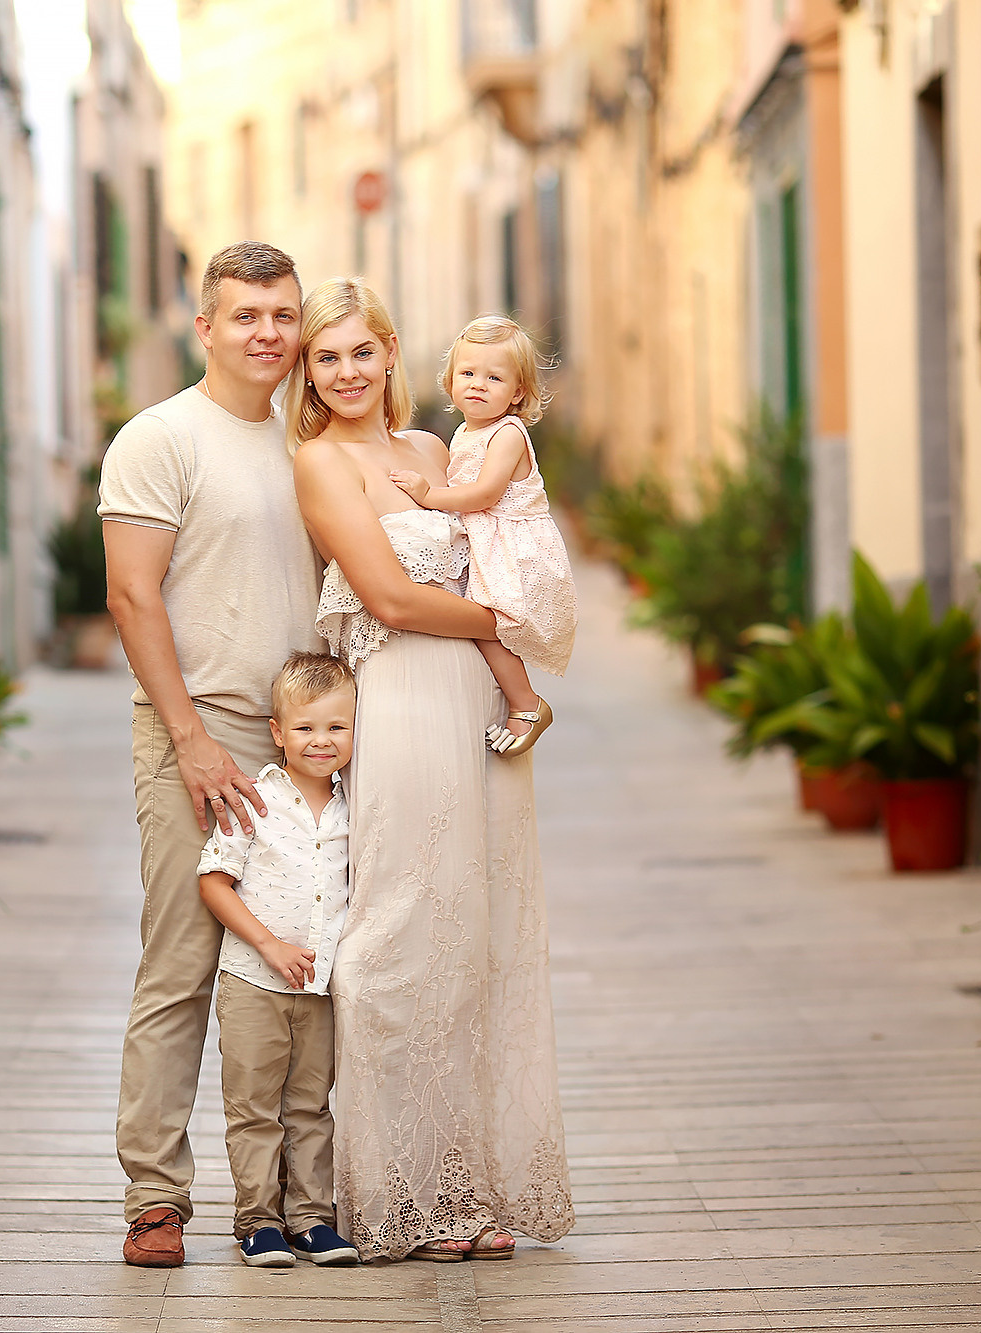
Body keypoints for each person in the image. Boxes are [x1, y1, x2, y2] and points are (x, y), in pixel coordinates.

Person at [290, 278, 574, 1263]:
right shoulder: (319, 463)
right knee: (393, 935)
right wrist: (505, 625)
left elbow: (496, 540)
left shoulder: (431, 450)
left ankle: (461, 1190)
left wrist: (508, 662)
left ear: (389, 352)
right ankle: (392, 1191)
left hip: (479, 706)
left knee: (474, 935)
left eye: (360, 351)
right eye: (325, 357)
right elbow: (394, 598)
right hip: (403, 698)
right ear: (309, 372)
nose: (346, 371)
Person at [100, 242, 324, 1268]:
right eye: (245, 316)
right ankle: (155, 1197)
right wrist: (188, 739)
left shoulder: (306, 441)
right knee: (183, 970)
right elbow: (130, 596)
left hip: (308, 747)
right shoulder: (158, 439)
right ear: (205, 327)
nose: (266, 333)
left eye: (281, 315)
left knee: (310, 972)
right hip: (201, 737)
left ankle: (296, 1196)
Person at [195, 652, 361, 1269]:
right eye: (305, 728)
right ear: (277, 732)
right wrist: (268, 943)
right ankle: (258, 1223)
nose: (321, 742)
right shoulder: (254, 801)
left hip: (321, 988)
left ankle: (314, 1220)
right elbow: (214, 881)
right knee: (254, 1106)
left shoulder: (357, 808)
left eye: (336, 728)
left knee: (312, 1107)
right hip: (252, 983)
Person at [388, 315, 577, 754]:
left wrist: (429, 495)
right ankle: (512, 699)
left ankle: (527, 704)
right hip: (490, 538)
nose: (478, 384)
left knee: (487, 621)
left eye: (494, 377)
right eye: (467, 373)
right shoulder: (464, 431)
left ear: (518, 392)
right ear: (450, 380)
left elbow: (486, 493)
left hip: (516, 546)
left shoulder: (508, 433)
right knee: (477, 620)